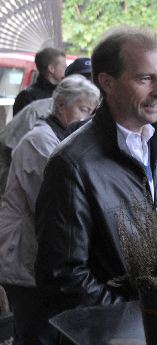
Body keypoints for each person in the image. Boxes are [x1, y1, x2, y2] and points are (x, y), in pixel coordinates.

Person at [34, 27, 157, 342]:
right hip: (109, 334)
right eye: (145, 78)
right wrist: (137, 321)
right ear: (106, 82)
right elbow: (64, 278)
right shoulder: (72, 163)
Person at [0, 74, 99, 345]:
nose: (86, 118)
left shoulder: (62, 139)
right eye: (82, 109)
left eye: (91, 112)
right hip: (24, 258)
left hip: (39, 258)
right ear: (60, 107)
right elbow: (53, 204)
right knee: (35, 333)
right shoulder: (39, 141)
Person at [0, 57, 93, 196]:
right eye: (81, 80)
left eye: (92, 80)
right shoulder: (37, 112)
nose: (88, 85)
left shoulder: (94, 115)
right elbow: (9, 148)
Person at [12, 47, 67, 115]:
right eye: (64, 67)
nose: (66, 70)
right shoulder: (27, 97)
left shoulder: (63, 93)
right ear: (51, 69)